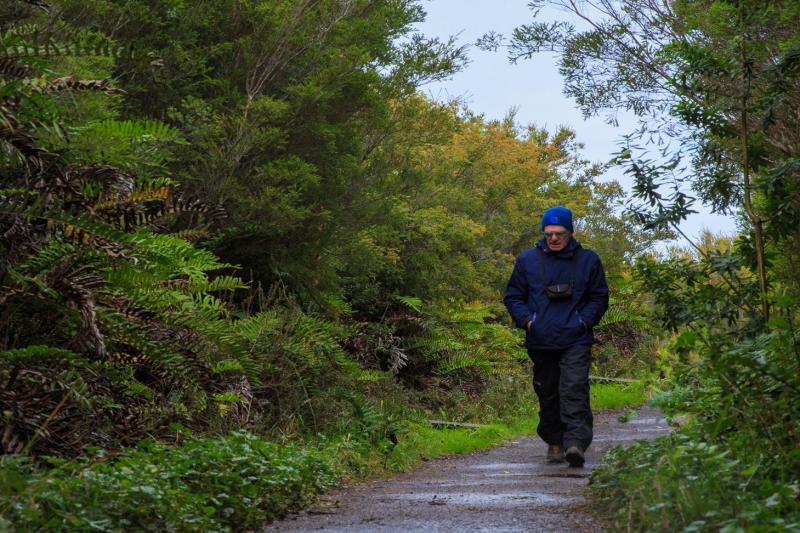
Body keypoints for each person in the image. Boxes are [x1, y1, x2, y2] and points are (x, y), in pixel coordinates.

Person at [503, 206, 608, 467]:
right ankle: (555, 442)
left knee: (573, 389)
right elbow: (513, 296)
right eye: (548, 233)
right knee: (547, 392)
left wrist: (583, 321)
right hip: (541, 339)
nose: (554, 239)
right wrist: (528, 321)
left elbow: (599, 297)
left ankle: (575, 443)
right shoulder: (527, 261)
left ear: (570, 232)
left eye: (559, 233)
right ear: (543, 233)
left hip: (575, 339)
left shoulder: (588, 260)